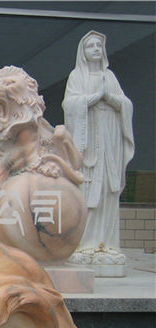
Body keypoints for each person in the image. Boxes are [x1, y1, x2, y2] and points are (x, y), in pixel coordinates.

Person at [62, 31, 134, 252]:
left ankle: (107, 242)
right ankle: (85, 243)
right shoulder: (77, 76)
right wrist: (92, 99)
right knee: (88, 188)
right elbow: (69, 104)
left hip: (110, 137)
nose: (95, 49)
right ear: (83, 52)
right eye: (90, 46)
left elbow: (126, 104)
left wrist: (109, 97)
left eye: (98, 46)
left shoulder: (109, 76)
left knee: (108, 190)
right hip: (88, 140)